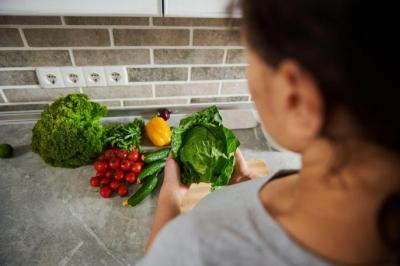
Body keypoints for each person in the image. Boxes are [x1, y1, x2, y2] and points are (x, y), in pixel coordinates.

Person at [138, 0, 400, 265]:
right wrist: (247, 187)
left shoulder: (196, 247)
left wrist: (169, 203)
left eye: (250, 63)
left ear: (295, 97)